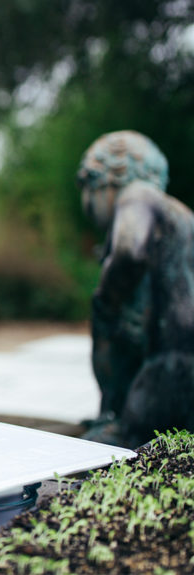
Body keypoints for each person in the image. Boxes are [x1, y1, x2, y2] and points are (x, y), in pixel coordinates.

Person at [76, 130, 194, 447]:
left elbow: (129, 249)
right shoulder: (181, 215)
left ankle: (116, 423)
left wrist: (107, 297)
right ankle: (116, 415)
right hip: (178, 359)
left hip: (171, 363)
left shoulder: (137, 195)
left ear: (107, 183)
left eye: (88, 190)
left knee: (119, 449)